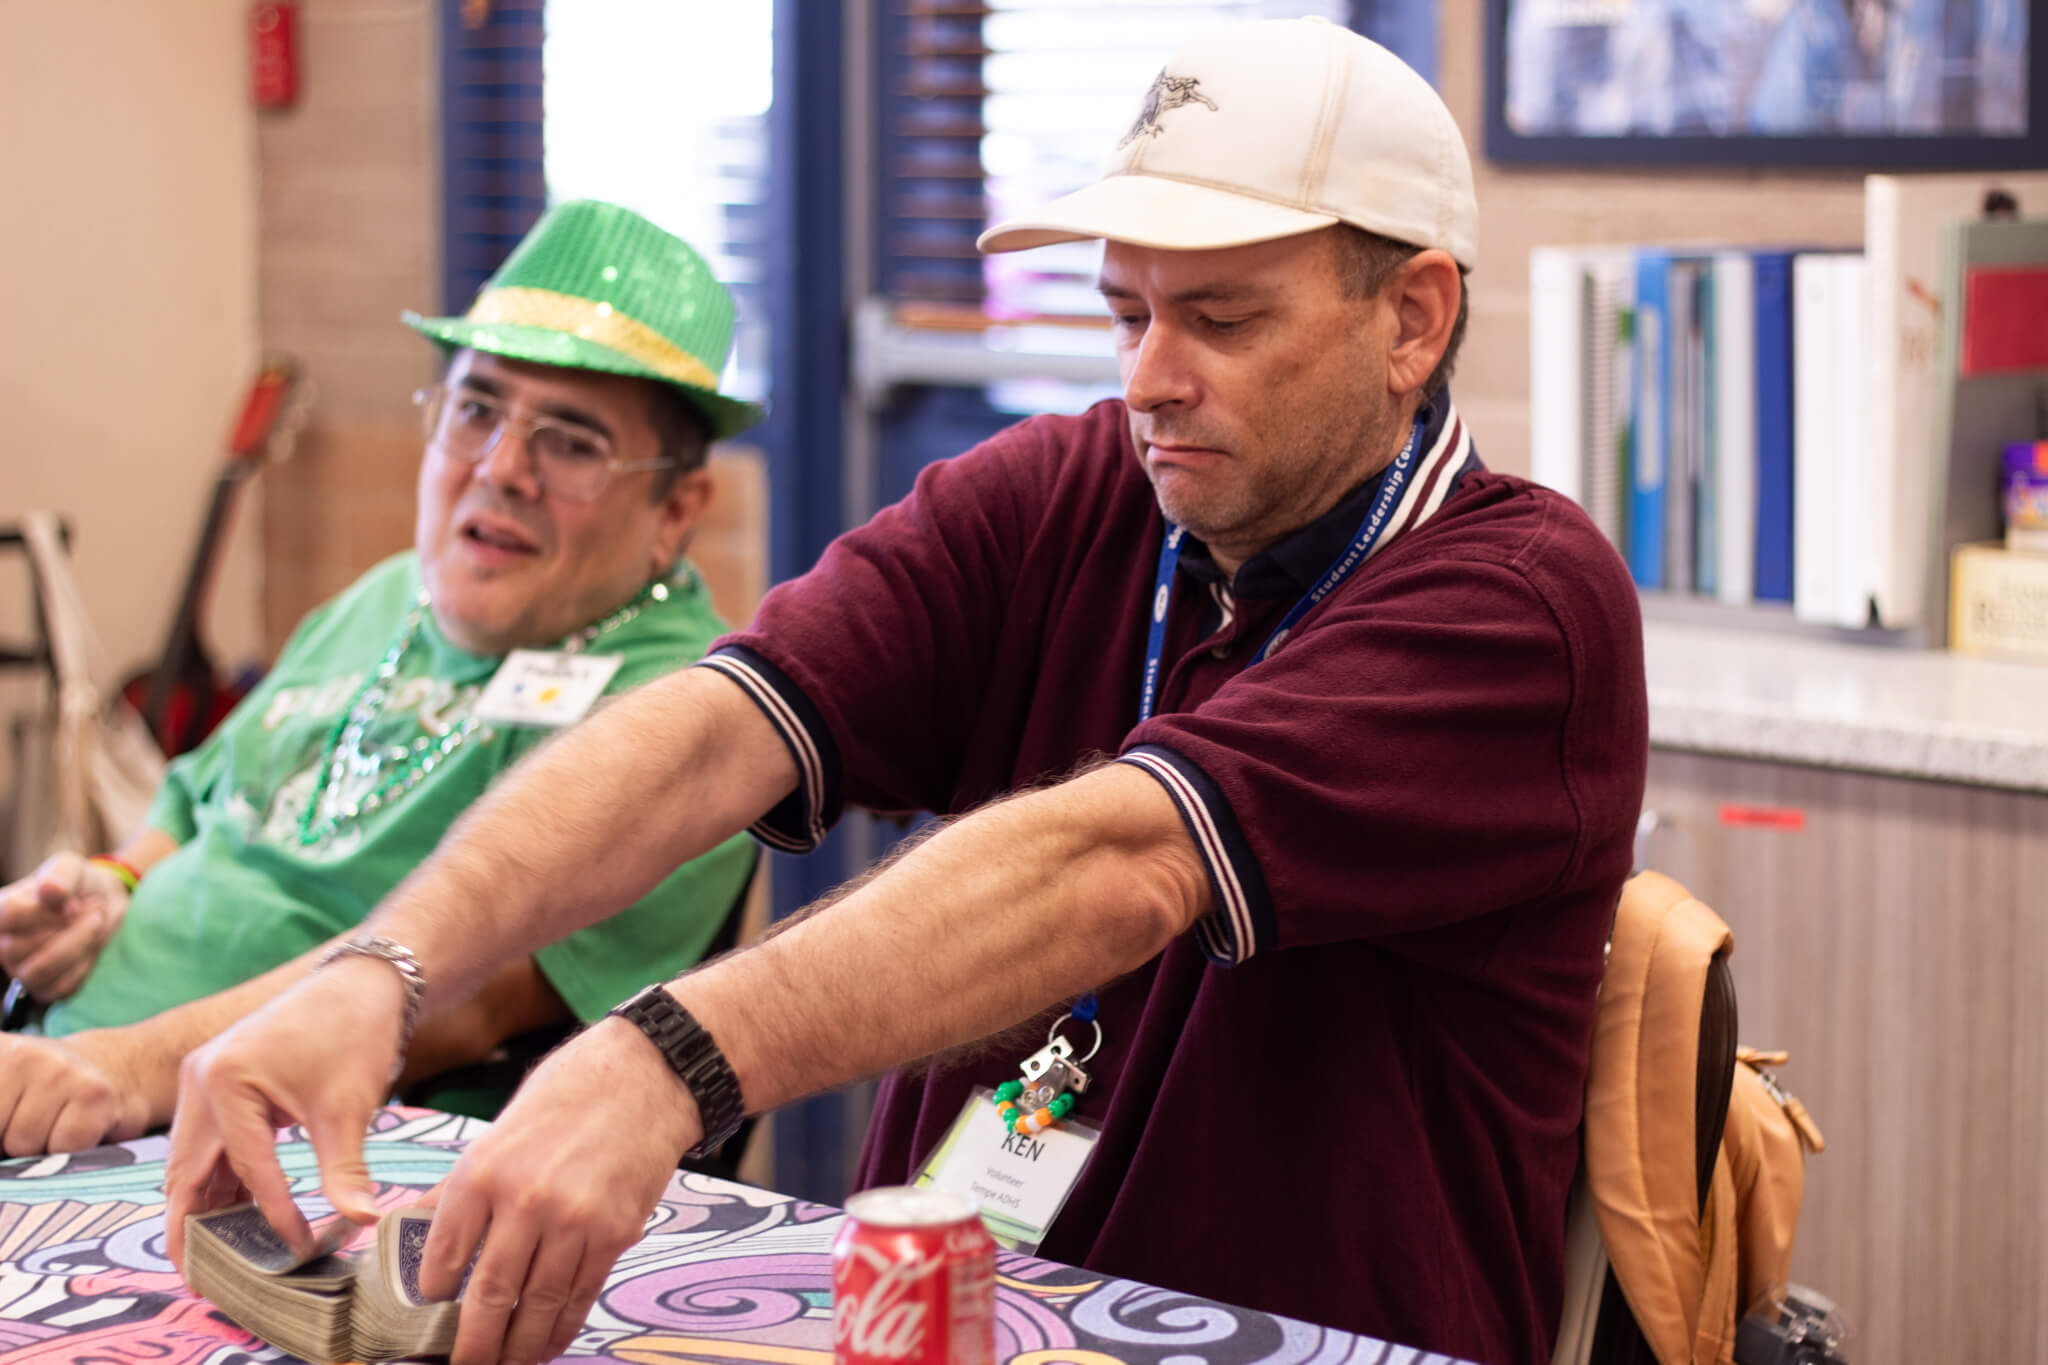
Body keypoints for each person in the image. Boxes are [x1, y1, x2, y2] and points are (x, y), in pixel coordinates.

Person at [167, 20, 1647, 1365]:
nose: (1148, 377)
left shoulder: (1522, 604)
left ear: (1412, 321)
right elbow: (714, 730)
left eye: (1221, 319)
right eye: (1126, 313)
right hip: (946, 1318)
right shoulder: (1072, 487)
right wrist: (380, 967)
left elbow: (1117, 861)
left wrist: (659, 1061)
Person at [0, 200, 762, 1156]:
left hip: (233, 1137)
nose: (501, 468)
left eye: (572, 441)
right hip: (58, 1060)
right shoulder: (389, 594)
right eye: (476, 409)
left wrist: (121, 1065)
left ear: (676, 509)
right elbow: (197, 804)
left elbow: (473, 1002)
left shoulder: (684, 709)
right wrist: (106, 887)